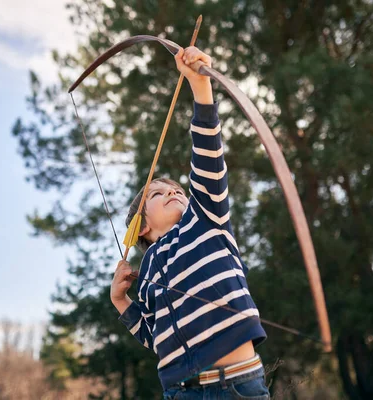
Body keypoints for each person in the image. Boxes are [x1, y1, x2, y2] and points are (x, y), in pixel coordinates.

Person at [110, 46, 271, 399]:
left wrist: (200, 86)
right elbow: (157, 339)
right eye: (156, 194)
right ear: (143, 227)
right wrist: (122, 302)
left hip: (237, 385)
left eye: (176, 190)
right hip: (180, 393)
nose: (172, 192)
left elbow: (207, 155)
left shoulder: (205, 219)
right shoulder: (148, 270)